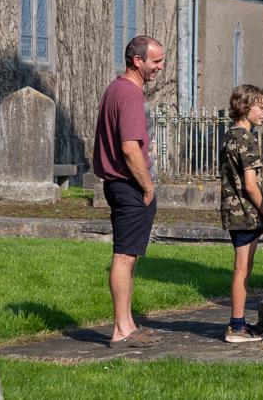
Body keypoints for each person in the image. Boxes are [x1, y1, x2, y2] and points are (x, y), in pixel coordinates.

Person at [94, 35, 165, 346]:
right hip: (128, 185)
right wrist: (147, 187)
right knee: (124, 257)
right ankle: (122, 329)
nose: (160, 67)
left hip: (118, 185)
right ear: (138, 61)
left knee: (128, 256)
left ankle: (128, 324)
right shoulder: (131, 94)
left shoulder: (115, 88)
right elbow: (129, 148)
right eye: (156, 62)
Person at [220, 84, 263, 343]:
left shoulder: (229, 135)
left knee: (242, 268)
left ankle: (238, 323)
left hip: (232, 211)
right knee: (242, 269)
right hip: (246, 214)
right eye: (260, 107)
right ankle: (236, 326)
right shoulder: (247, 139)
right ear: (245, 106)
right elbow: (250, 184)